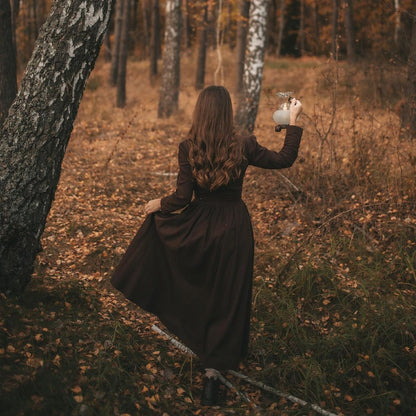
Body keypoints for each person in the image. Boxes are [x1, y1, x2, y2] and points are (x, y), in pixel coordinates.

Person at [110, 86, 303, 406]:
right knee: (228, 295)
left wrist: (159, 204)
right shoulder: (243, 144)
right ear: (227, 112)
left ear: (200, 111)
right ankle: (214, 374)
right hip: (234, 229)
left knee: (203, 290)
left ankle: (204, 350)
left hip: (199, 227)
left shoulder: (189, 147)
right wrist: (292, 121)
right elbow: (284, 159)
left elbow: (181, 199)